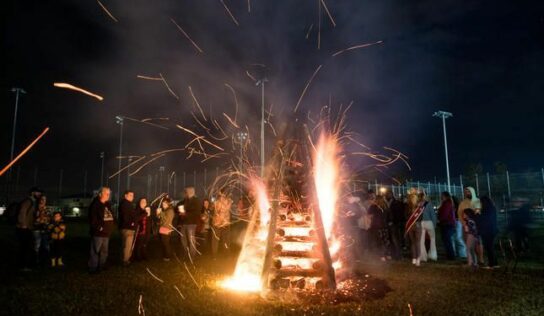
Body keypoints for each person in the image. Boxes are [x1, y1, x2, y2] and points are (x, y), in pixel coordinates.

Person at [88, 187, 115, 274]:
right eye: (106, 193)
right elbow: (93, 219)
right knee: (96, 250)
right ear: (100, 194)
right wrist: (100, 228)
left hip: (107, 233)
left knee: (104, 251)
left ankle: (101, 265)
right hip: (98, 233)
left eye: (109, 194)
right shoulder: (95, 204)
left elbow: (111, 216)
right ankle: (93, 267)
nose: (108, 195)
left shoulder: (107, 204)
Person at [16, 187, 42, 271]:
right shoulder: (28, 201)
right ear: (32, 193)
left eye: (40, 193)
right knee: (25, 247)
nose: (39, 194)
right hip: (24, 228)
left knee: (27, 247)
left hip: (27, 227)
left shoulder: (33, 202)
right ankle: (23, 266)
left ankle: (25, 264)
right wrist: (23, 224)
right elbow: (22, 212)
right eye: (38, 193)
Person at [458, 186, 483, 263]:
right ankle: (472, 260)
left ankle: (481, 259)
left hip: (477, 226)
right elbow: (459, 214)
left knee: (478, 243)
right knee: (468, 243)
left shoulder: (477, 201)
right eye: (465, 192)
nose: (466, 193)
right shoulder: (463, 203)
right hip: (466, 226)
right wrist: (463, 223)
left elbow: (479, 213)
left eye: (468, 191)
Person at [177, 187, 202, 259]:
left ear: (191, 192)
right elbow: (179, 206)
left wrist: (186, 214)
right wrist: (180, 211)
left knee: (191, 240)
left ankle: (192, 256)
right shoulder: (185, 200)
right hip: (184, 223)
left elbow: (197, 212)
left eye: (187, 191)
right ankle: (186, 253)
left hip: (191, 223)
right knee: (183, 239)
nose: (186, 193)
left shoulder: (196, 201)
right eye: (186, 191)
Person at [368, 195, 391, 261]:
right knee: (385, 241)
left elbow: (369, 215)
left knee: (379, 241)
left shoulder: (373, 207)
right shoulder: (385, 206)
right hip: (384, 226)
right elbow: (388, 216)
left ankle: (382, 255)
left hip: (377, 227)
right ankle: (387, 254)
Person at [385, 190, 405, 260]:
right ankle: (394, 254)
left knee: (395, 240)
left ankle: (398, 255)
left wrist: (393, 221)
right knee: (391, 240)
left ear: (391, 195)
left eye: (388, 194)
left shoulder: (396, 203)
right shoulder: (388, 202)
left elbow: (397, 214)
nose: (387, 195)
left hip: (394, 224)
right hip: (390, 224)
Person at [479, 196, 499, 268]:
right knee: (491, 247)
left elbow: (484, 220)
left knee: (489, 247)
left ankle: (491, 264)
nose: (480, 203)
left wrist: (478, 215)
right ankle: (495, 263)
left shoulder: (486, 210)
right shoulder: (492, 208)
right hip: (492, 230)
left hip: (487, 231)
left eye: (481, 202)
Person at [211, 191, 232, 258]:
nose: (221, 196)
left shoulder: (228, 201)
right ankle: (214, 255)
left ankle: (227, 254)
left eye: (223, 194)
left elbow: (227, 210)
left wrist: (228, 202)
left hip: (225, 224)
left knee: (226, 240)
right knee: (215, 241)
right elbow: (217, 210)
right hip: (217, 224)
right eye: (220, 195)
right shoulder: (217, 202)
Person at [118, 190, 137, 266]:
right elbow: (126, 216)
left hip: (127, 227)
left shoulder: (127, 204)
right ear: (125, 196)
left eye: (133, 195)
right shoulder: (125, 204)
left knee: (126, 245)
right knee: (127, 245)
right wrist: (132, 223)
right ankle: (125, 260)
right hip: (127, 228)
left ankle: (125, 259)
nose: (132, 197)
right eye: (130, 195)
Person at [405, 190, 422, 266]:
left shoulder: (407, 206)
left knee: (413, 243)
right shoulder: (419, 207)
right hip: (417, 225)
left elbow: (405, 216)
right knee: (417, 242)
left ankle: (414, 258)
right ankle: (418, 258)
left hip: (411, 225)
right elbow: (421, 217)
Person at [418, 191, 437, 262]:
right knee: (432, 239)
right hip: (429, 222)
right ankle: (433, 255)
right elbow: (433, 215)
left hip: (421, 223)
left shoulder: (418, 205)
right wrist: (434, 224)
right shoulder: (429, 204)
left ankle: (423, 256)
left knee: (421, 240)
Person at [437, 192, 456, 260]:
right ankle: (450, 255)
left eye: (441, 195)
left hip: (447, 224)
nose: (440, 197)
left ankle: (451, 256)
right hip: (447, 224)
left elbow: (445, 214)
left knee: (447, 241)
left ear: (445, 196)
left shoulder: (447, 204)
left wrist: (439, 219)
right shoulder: (447, 203)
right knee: (447, 241)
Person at [33, 194, 51, 266]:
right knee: (37, 244)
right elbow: (34, 219)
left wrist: (47, 222)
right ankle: (36, 259)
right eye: (42, 199)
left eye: (44, 199)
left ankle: (46, 259)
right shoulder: (35, 209)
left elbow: (49, 219)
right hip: (36, 229)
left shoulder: (47, 209)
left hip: (45, 229)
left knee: (46, 245)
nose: (43, 201)